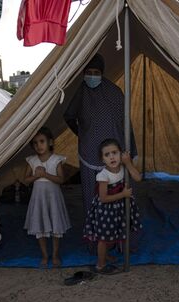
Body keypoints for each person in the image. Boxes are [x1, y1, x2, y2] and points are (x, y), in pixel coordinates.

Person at [63, 53, 138, 217]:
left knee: (117, 194)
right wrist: (82, 134)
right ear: (83, 73)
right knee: (93, 196)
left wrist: (129, 149)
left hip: (113, 155)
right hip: (89, 153)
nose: (92, 76)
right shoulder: (80, 93)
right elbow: (69, 116)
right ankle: (97, 232)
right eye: (88, 72)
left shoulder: (114, 93)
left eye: (96, 73)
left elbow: (125, 122)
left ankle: (118, 233)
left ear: (102, 73)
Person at [84, 139, 142, 274]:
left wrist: (128, 163)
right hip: (106, 211)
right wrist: (123, 195)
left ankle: (105, 255)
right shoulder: (103, 175)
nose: (111, 157)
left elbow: (138, 178)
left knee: (114, 234)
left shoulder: (123, 167)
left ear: (121, 154)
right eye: (107, 155)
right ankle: (100, 264)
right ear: (102, 160)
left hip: (118, 209)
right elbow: (103, 198)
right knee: (104, 238)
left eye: (114, 153)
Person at [24, 127, 71, 268]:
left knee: (56, 226)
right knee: (40, 227)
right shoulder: (31, 161)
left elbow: (61, 179)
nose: (39, 146)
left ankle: (55, 254)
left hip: (53, 199)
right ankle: (45, 255)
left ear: (50, 142)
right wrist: (35, 176)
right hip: (39, 199)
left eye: (42, 141)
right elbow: (26, 179)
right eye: (35, 143)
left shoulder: (56, 160)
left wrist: (45, 175)